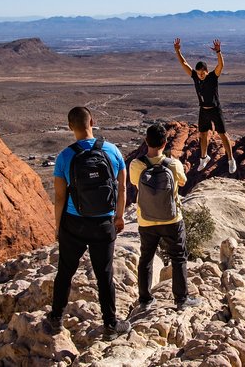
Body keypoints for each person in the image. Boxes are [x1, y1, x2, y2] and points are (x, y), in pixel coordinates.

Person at [46, 106, 130, 337]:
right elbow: (122, 187)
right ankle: (111, 325)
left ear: (70, 127)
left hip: (74, 224)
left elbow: (60, 197)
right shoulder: (112, 151)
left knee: (65, 272)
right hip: (104, 224)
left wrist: (58, 226)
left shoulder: (65, 156)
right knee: (104, 275)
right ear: (92, 121)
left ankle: (56, 319)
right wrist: (120, 216)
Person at [130, 124, 201, 311]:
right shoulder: (173, 164)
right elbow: (183, 181)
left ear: (146, 141)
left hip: (146, 219)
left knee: (146, 258)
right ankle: (181, 300)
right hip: (172, 219)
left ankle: (145, 300)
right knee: (178, 257)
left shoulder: (136, 165)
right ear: (165, 142)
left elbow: (134, 182)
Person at [174, 37, 237, 174]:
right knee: (202, 134)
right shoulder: (195, 77)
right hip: (203, 110)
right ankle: (204, 158)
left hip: (215, 109)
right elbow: (184, 63)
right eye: (199, 73)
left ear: (206, 71)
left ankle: (231, 159)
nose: (201, 76)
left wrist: (218, 52)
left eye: (202, 73)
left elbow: (221, 65)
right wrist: (178, 51)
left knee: (222, 134)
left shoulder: (213, 77)